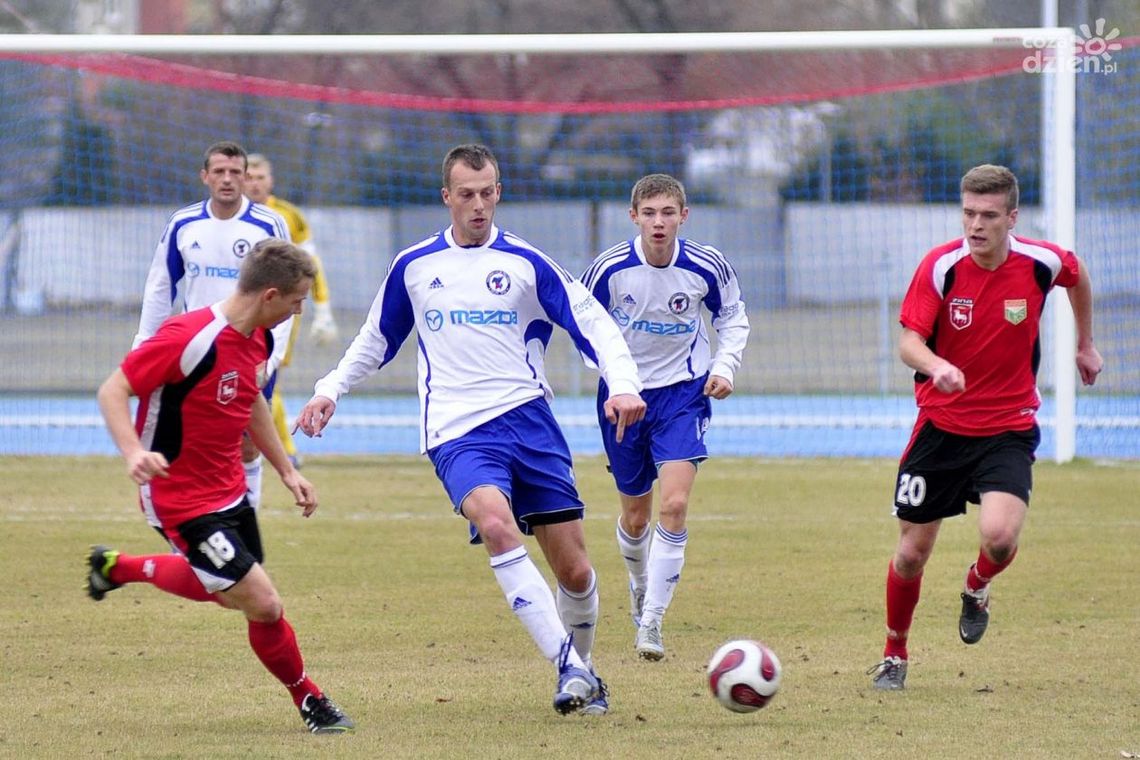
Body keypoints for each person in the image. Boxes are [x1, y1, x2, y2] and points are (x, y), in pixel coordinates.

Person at [294, 143, 646, 716]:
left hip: (531, 422)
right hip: (458, 431)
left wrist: (624, 381)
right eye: (466, 195)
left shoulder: (527, 263)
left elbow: (594, 324)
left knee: (576, 573)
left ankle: (584, 678)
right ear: (447, 198)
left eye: (487, 194)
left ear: (498, 193)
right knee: (496, 524)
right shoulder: (415, 266)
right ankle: (569, 668)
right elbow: (376, 340)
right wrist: (330, 389)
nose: (478, 206)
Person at [90, 238, 354, 734]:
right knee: (263, 601)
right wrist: (133, 452)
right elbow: (113, 390)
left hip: (230, 491)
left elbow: (250, 399)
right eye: (297, 302)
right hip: (179, 498)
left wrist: (286, 469)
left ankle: (118, 568)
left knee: (228, 591)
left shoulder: (257, 336)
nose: (299, 311)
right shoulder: (186, 338)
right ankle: (311, 700)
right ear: (270, 295)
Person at [867, 164, 1103, 690]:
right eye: (969, 213)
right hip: (940, 428)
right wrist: (936, 366)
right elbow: (909, 340)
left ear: (1011, 218)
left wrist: (1085, 343)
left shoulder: (1040, 262)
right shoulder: (941, 266)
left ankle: (977, 586)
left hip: (1008, 427)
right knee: (911, 554)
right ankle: (894, 655)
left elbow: (1077, 273)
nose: (976, 225)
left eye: (989, 216)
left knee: (998, 539)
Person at [581, 173, 750, 662]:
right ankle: (639, 584)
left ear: (683, 216)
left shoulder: (707, 265)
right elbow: (584, 326)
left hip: (682, 395)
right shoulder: (610, 269)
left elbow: (732, 317)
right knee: (636, 518)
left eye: (668, 213)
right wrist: (617, 384)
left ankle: (652, 621)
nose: (659, 222)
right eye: (649, 213)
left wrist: (724, 366)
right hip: (624, 400)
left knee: (673, 506)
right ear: (633, 216)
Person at [134, 141, 292, 512]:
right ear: (205, 176)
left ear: (245, 177)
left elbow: (285, 293)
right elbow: (160, 286)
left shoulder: (268, 225)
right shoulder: (184, 224)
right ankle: (197, 514)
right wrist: (144, 344)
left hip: (249, 351)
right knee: (196, 439)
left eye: (235, 172)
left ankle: (245, 520)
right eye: (219, 172)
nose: (227, 179)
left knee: (248, 442)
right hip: (195, 349)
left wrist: (272, 357)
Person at [245, 153, 340, 469]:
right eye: (250, 177)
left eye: (260, 177)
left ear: (270, 181)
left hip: (281, 310)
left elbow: (312, 265)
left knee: (268, 374)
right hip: (243, 309)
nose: (255, 183)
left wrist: (323, 309)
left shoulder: (289, 217)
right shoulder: (234, 217)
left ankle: (283, 449)